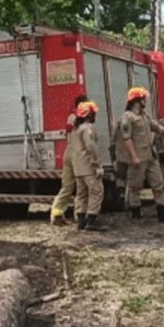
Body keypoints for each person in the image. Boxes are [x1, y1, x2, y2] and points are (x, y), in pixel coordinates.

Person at [120, 87, 164, 222]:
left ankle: (162, 213)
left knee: (158, 183)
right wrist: (134, 156)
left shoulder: (144, 115)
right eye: (143, 98)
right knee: (135, 185)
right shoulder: (128, 117)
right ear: (136, 101)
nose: (145, 101)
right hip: (138, 156)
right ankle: (136, 213)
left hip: (150, 155)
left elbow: (155, 126)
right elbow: (127, 138)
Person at [50, 94, 91, 226]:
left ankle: (57, 214)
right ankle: (80, 216)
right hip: (77, 155)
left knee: (67, 187)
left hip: (69, 152)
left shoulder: (72, 117)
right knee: (81, 187)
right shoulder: (79, 119)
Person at [69, 101, 106, 232]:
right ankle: (92, 220)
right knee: (96, 191)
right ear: (89, 114)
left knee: (81, 195)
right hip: (89, 168)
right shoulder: (87, 129)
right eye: (94, 113)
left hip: (78, 169)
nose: (95, 116)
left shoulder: (75, 129)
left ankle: (81, 221)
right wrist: (97, 165)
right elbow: (91, 147)